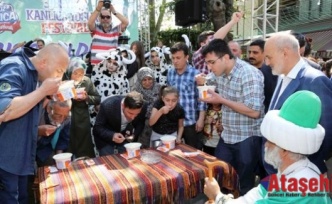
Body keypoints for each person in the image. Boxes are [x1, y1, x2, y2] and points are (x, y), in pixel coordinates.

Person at [204, 91, 331, 204]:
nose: (266, 145)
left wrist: (217, 196)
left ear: (285, 149)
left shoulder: (299, 189)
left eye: (271, 141)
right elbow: (254, 196)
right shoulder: (298, 170)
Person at [0, 43, 69, 203]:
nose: (59, 77)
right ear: (44, 62)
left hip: (22, 158)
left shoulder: (35, 75)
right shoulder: (13, 66)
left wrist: (48, 96)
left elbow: (28, 109)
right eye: (59, 71)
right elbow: (5, 111)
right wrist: (43, 90)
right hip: (5, 160)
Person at [200, 38, 265, 195]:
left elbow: (254, 111)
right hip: (227, 135)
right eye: (207, 63)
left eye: (211, 62)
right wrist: (201, 81)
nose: (209, 67)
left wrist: (221, 100)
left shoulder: (249, 74)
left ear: (226, 57)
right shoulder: (219, 72)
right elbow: (206, 79)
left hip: (247, 137)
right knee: (221, 177)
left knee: (244, 183)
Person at [263, 33, 332, 176]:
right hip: (279, 168)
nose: (267, 63)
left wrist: (305, 169)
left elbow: (326, 133)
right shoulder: (282, 76)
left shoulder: (314, 80)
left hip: (299, 174)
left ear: (285, 53)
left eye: (269, 57)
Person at [167, 42, 206, 149]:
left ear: (187, 57)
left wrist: (201, 119)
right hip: (174, 122)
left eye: (178, 58)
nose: (175, 61)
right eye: (173, 58)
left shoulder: (196, 74)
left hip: (191, 122)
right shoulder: (170, 73)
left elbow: (202, 98)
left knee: (193, 153)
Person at [64, 57, 101, 158]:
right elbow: (56, 99)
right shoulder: (64, 81)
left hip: (82, 118)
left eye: (81, 74)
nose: (78, 76)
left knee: (84, 146)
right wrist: (70, 96)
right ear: (69, 71)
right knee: (67, 143)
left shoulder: (87, 81)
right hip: (66, 117)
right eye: (75, 73)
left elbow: (97, 98)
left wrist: (87, 98)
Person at [93, 91, 147, 155]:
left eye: (136, 114)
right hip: (106, 142)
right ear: (123, 105)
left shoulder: (143, 106)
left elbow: (140, 123)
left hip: (126, 142)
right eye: (130, 113)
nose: (133, 118)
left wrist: (134, 135)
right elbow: (97, 127)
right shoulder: (108, 105)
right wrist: (112, 135)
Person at [88, 0, 129, 65]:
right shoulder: (96, 28)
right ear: (99, 18)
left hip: (111, 67)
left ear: (111, 18)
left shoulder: (115, 30)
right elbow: (90, 23)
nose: (105, 19)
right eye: (102, 17)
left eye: (108, 17)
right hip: (96, 67)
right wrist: (98, 8)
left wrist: (114, 11)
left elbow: (126, 22)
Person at [36, 99, 72, 167]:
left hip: (45, 147)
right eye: (58, 115)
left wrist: (59, 157)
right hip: (27, 147)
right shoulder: (38, 113)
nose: (61, 119)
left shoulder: (67, 117)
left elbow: (63, 138)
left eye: (65, 116)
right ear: (49, 109)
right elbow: (24, 132)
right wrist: (38, 131)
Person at [132, 67, 161, 148]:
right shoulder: (135, 93)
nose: (147, 82)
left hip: (159, 126)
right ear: (140, 80)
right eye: (144, 80)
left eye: (149, 79)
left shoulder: (160, 89)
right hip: (142, 128)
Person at [248, 39, 278, 113]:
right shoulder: (246, 71)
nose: (251, 55)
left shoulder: (272, 72)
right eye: (249, 52)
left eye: (255, 53)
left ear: (264, 53)